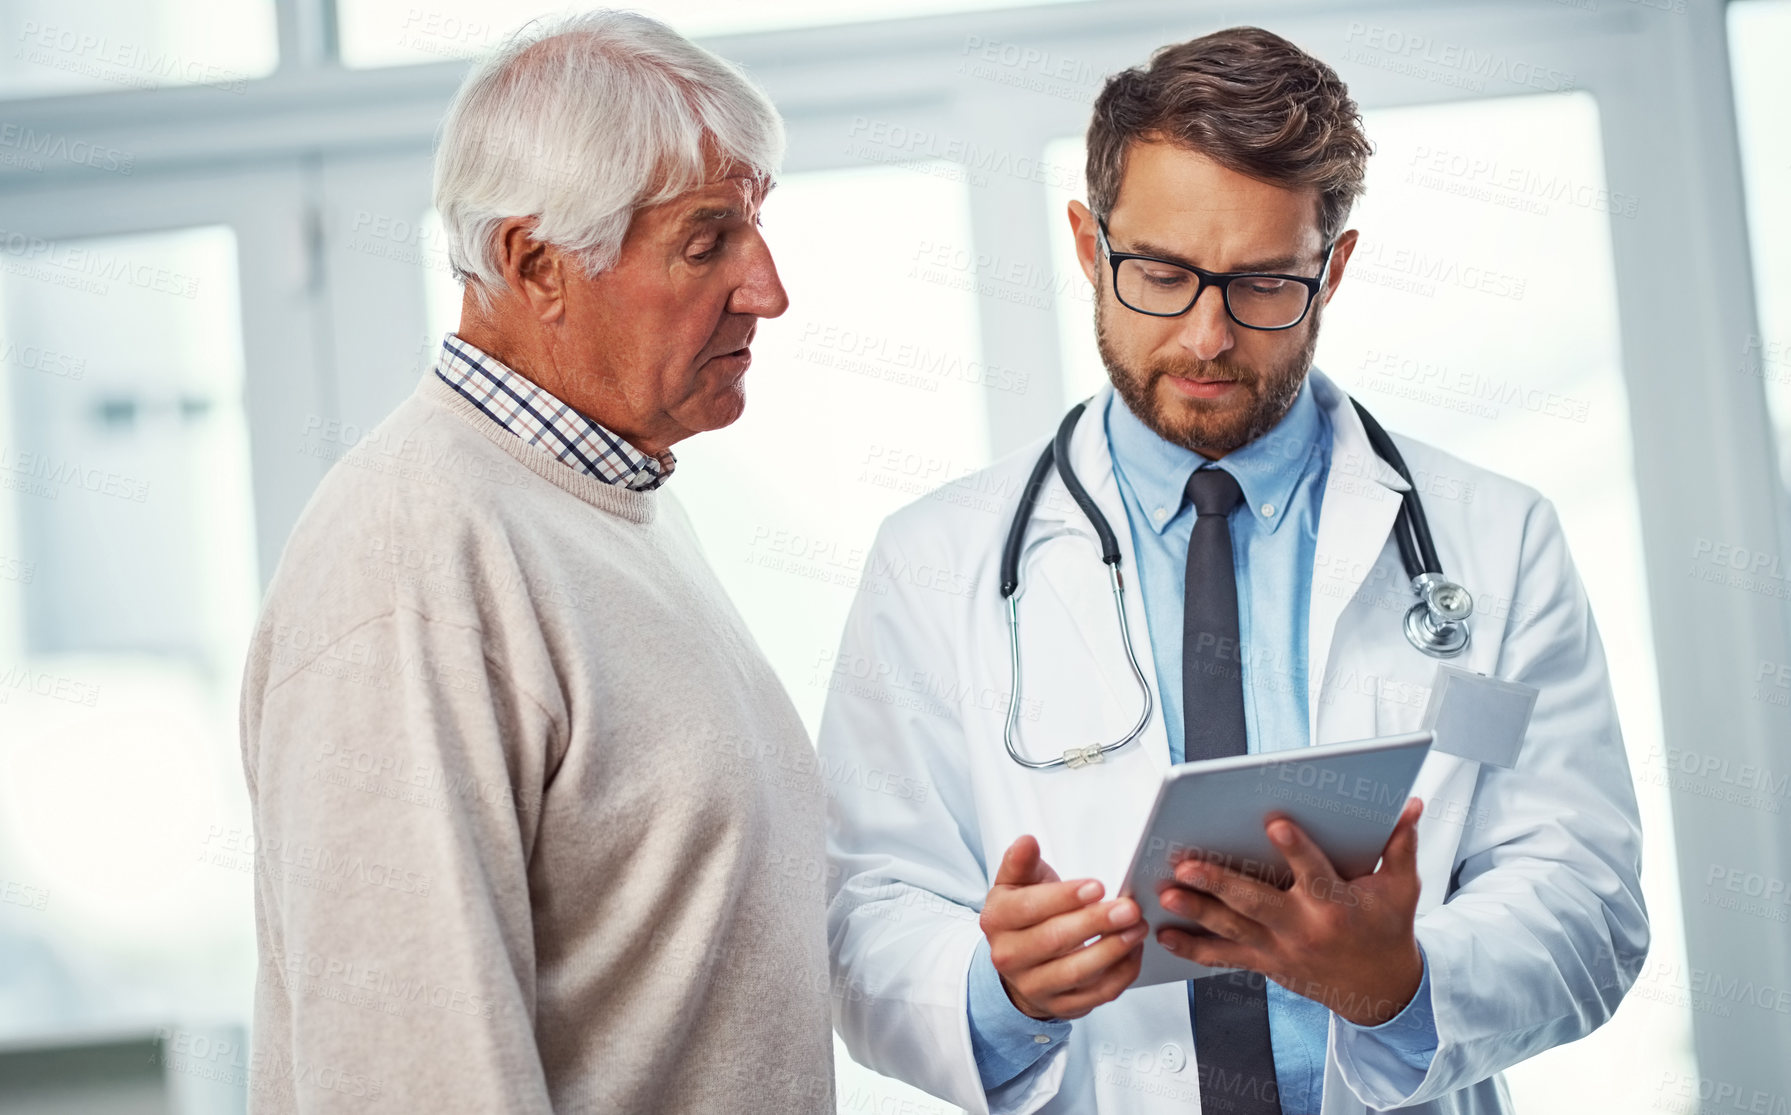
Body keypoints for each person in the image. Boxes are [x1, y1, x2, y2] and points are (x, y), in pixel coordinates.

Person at [821, 26, 1646, 1115]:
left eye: (1262, 284)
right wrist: (993, 986)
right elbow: (862, 907)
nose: (1207, 336)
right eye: (1161, 272)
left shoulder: (1497, 541)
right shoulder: (933, 561)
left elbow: (1586, 898)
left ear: (1333, 268)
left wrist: (1397, 983)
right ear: (1086, 243)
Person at [238, 12, 832, 1113]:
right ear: (533, 263)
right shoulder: (413, 554)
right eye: (708, 241)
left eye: (755, 227)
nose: (768, 289)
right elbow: (406, 1071)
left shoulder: (608, 504)